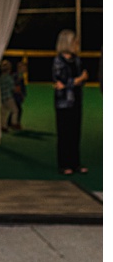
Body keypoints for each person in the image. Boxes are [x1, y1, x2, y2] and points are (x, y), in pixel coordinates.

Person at [52, 29, 88, 175]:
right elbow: (59, 81)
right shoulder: (58, 61)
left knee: (75, 132)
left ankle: (75, 163)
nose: (77, 45)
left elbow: (69, 82)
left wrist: (73, 82)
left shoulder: (77, 60)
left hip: (76, 101)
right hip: (63, 103)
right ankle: (64, 164)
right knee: (64, 133)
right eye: (75, 42)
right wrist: (77, 80)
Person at [0, 59, 20, 131]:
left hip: (2, 97)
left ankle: (3, 126)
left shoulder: (0, 77)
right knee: (15, 110)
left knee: (3, 112)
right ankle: (14, 123)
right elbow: (13, 88)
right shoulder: (9, 77)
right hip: (8, 97)